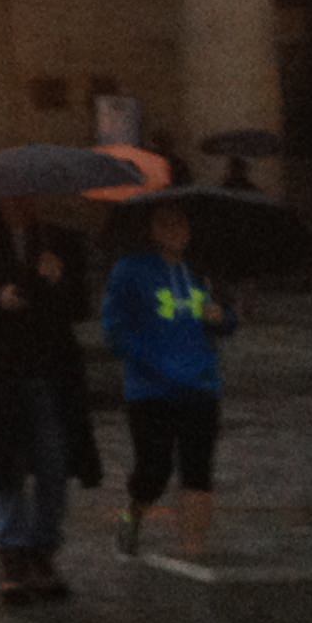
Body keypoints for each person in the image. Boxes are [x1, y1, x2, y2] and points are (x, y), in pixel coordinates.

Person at [0, 197, 100, 605]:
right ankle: (12, 553)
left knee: (54, 461)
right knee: (5, 463)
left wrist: (58, 281)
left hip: (49, 368)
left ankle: (42, 549)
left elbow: (80, 305)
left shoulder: (58, 240)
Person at [102, 200, 236, 558]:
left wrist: (220, 316)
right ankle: (134, 513)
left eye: (182, 225)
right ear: (152, 230)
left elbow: (229, 319)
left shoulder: (202, 271)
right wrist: (151, 359)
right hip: (151, 389)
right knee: (154, 468)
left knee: (198, 469)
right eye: (166, 225)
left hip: (200, 384)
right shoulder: (130, 271)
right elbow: (114, 329)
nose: (176, 233)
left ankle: (193, 550)